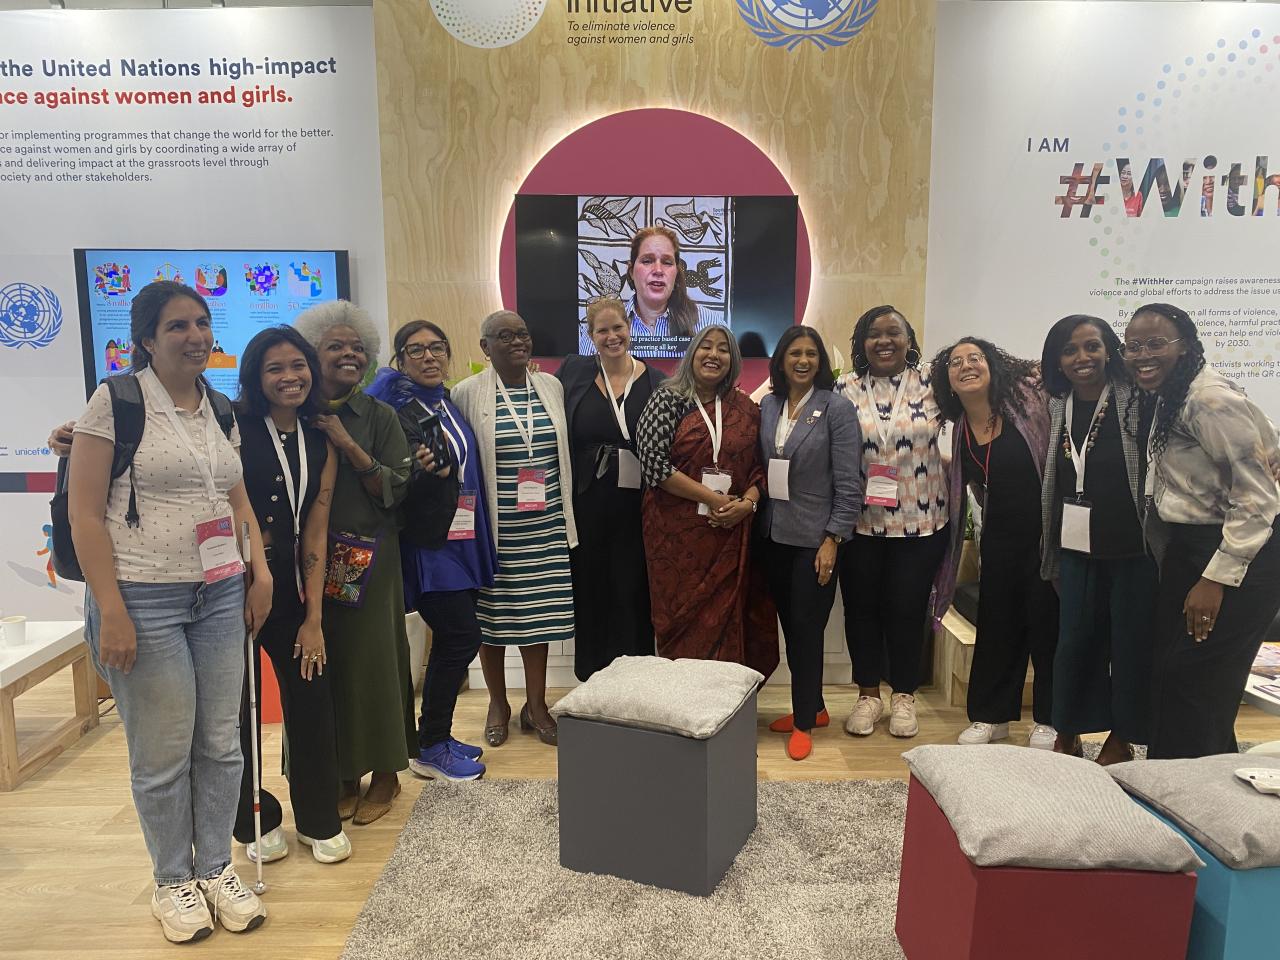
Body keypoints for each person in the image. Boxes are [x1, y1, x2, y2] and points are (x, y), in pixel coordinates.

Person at [68, 280, 269, 943]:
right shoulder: (117, 403)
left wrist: (258, 570)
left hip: (217, 593)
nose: (194, 335)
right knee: (161, 753)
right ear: (146, 339)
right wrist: (111, 609)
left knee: (221, 741)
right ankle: (171, 881)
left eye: (202, 322)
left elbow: (238, 502)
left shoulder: (220, 407)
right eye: (177, 325)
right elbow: (84, 513)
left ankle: (213, 868)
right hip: (142, 596)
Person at [1124, 302, 1280, 759]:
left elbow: (1257, 499)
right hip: (1190, 545)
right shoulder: (1172, 392)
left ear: (1186, 346)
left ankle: (1192, 799)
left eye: (1156, 343)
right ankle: (1179, 785)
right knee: (1173, 675)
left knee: (1196, 680)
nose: (1142, 354)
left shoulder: (1209, 399)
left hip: (1239, 552)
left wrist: (1215, 579)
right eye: (1133, 346)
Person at [294, 301, 416, 824]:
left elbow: (398, 487)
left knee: (374, 662)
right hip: (303, 559)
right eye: (336, 347)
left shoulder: (378, 416)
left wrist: (348, 444)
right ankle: (342, 772)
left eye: (358, 348)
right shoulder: (292, 410)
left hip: (368, 557)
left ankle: (386, 771)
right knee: (326, 667)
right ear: (312, 353)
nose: (350, 355)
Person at [231, 326, 349, 863]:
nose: (289, 376)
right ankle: (253, 817)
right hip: (229, 584)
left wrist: (314, 617)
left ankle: (319, 817)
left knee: (310, 695)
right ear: (257, 376)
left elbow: (317, 528)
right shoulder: (231, 425)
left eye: (298, 365)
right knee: (235, 708)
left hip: (292, 587)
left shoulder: (320, 438)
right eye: (275, 368)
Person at [366, 319, 496, 777]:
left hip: (460, 541)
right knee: (462, 637)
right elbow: (395, 480)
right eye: (415, 350)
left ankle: (436, 736)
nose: (428, 357)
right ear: (399, 361)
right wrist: (424, 473)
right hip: (429, 546)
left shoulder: (447, 403)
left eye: (436, 348)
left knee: (453, 640)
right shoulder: (398, 408)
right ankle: (429, 748)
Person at [451, 310, 577, 748]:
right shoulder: (467, 392)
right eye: (504, 336)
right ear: (486, 347)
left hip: (545, 527)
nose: (517, 341)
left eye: (522, 333)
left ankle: (537, 705)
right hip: (496, 531)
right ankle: (499, 703)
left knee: (538, 621)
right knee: (494, 621)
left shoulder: (551, 386)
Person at [931, 338, 1059, 749]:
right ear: (947, 380)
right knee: (997, 627)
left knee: (1046, 626)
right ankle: (991, 717)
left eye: (975, 358)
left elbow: (1050, 372)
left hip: (1047, 538)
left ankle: (1048, 719)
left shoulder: (1026, 404)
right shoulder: (961, 430)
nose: (966, 366)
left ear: (993, 367)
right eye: (955, 362)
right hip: (999, 538)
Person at [1039, 315, 1152, 762]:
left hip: (1132, 548)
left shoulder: (1136, 400)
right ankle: (1068, 729)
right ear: (1058, 360)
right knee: (1073, 644)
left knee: (1129, 644)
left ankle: (1123, 736)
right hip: (1076, 548)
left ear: (1110, 351)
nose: (1082, 358)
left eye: (1092, 347)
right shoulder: (1055, 405)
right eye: (1070, 350)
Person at [634, 324, 778, 677]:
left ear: (733, 360)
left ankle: (727, 711)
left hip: (729, 534)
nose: (714, 355)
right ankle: (682, 711)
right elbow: (654, 466)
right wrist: (713, 499)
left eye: (723, 349)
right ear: (692, 354)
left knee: (728, 621)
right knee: (679, 623)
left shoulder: (744, 407)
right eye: (706, 347)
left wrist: (748, 504)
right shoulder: (667, 398)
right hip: (675, 542)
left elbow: (759, 469)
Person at [833, 306, 948, 739]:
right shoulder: (843, 388)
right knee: (861, 610)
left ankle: (903, 696)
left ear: (908, 339)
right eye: (874, 334)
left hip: (920, 524)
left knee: (906, 610)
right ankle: (867, 695)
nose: (884, 341)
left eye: (893, 333)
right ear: (862, 342)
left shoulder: (935, 385)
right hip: (858, 524)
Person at [758, 326, 862, 760]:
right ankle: (815, 707)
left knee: (806, 632)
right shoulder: (768, 404)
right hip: (772, 536)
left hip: (814, 541)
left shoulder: (836, 408)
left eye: (811, 354)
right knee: (790, 627)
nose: (803, 361)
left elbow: (849, 480)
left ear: (820, 362)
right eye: (795, 354)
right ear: (781, 360)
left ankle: (802, 724)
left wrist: (833, 538)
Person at [557, 297, 665, 680]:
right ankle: (592, 679)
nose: (611, 336)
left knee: (633, 592)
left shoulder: (657, 382)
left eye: (617, 327)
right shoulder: (573, 373)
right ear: (591, 335)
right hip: (586, 505)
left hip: (638, 509)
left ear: (630, 327)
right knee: (590, 592)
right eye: (602, 330)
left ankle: (635, 680)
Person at [578, 225, 715, 357]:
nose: (658, 271)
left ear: (676, 273)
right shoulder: (600, 327)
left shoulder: (709, 323)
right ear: (631, 271)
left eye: (667, 262)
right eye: (647, 261)